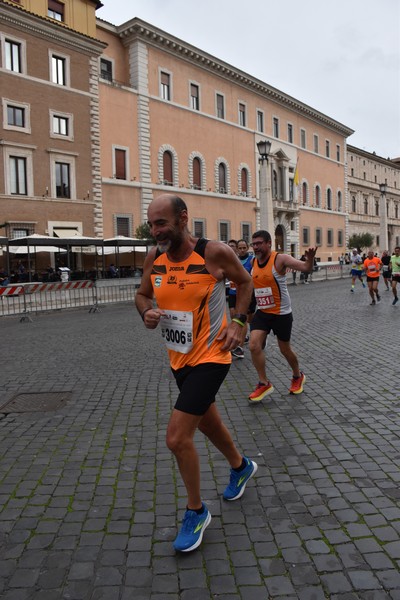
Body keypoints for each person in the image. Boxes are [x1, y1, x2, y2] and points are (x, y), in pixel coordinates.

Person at [135, 193, 257, 553]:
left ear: (183, 218)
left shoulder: (213, 252)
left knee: (176, 438)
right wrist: (145, 313)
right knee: (207, 422)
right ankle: (241, 465)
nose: (156, 230)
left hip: (212, 356)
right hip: (178, 358)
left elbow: (246, 283)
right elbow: (142, 295)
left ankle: (196, 510)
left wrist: (238, 320)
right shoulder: (154, 257)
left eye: (161, 223)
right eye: (151, 224)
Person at [248, 230, 316, 402]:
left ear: (269, 243)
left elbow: (306, 268)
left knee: (284, 349)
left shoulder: (280, 259)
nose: (255, 247)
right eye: (253, 244)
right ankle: (263, 383)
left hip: (281, 314)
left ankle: (297, 376)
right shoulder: (252, 261)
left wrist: (310, 259)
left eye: (259, 243)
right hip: (263, 312)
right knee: (254, 345)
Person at [228, 239, 253, 359]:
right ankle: (243, 337)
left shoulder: (252, 260)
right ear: (237, 249)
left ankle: (240, 347)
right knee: (233, 316)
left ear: (247, 248)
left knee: (243, 319)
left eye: (244, 248)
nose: (242, 250)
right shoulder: (233, 260)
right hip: (233, 292)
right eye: (240, 248)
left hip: (246, 294)